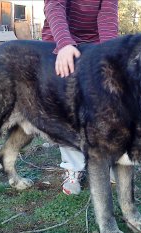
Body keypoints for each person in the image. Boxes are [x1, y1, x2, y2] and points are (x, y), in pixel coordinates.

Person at [42, 0, 118, 195]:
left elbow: (107, 14)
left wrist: (109, 51)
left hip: (94, 43)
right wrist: (65, 44)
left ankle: (104, 161)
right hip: (59, 40)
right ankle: (73, 167)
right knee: (67, 107)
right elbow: (55, 6)